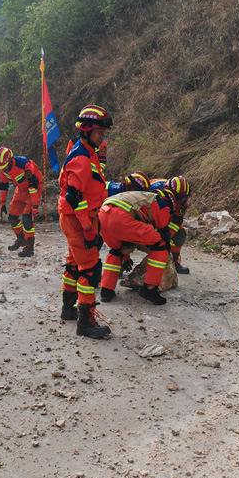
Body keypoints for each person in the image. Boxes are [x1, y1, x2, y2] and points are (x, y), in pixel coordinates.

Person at [58, 105, 112, 339]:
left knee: (73, 263)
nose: (102, 136)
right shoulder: (82, 155)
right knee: (89, 269)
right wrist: (87, 227)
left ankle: (68, 309)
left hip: (73, 218)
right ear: (87, 130)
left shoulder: (85, 150)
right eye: (99, 132)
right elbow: (74, 195)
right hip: (79, 219)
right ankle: (86, 321)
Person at [98, 187, 178, 305]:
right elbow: (164, 232)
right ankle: (150, 289)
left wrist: (126, 257)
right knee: (160, 244)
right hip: (121, 219)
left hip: (103, 216)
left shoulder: (142, 197)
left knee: (117, 250)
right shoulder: (161, 204)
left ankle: (106, 289)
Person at [0, 147, 43, 258]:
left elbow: (33, 186)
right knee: (12, 217)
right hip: (20, 189)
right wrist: (2, 203)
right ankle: (20, 239)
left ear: (10, 161)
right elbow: (3, 186)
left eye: (4, 167)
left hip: (33, 190)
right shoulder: (4, 169)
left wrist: (35, 208)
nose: (3, 170)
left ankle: (29, 247)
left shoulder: (25, 165)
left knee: (27, 219)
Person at [165, 176, 192, 274]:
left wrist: (167, 236)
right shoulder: (155, 191)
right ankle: (122, 260)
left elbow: (177, 221)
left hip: (169, 214)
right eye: (178, 198)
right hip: (151, 213)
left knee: (179, 234)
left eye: (183, 198)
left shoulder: (183, 201)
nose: (180, 200)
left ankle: (175, 261)